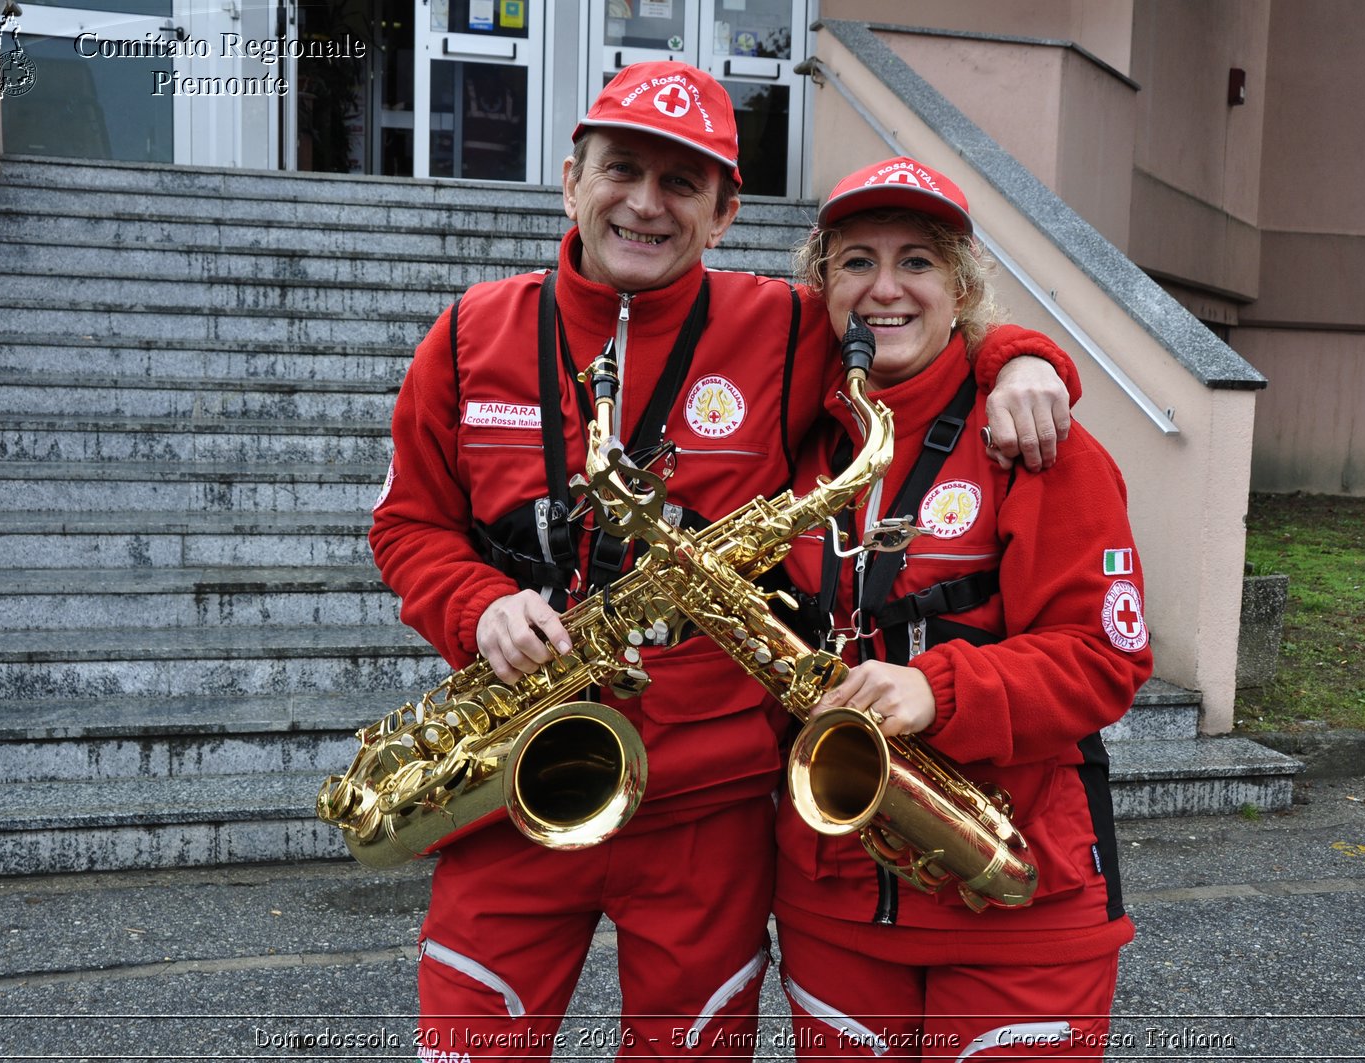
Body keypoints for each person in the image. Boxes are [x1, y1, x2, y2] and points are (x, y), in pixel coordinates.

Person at [369, 64, 1078, 1060]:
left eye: (682, 184)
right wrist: (477, 605)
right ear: (571, 181)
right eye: (621, 170)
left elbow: (913, 317)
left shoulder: (786, 329)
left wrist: (1025, 359)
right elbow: (407, 525)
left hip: (708, 809)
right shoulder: (467, 332)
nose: (645, 204)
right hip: (509, 777)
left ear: (724, 213)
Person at [769, 157, 1152, 1060]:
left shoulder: (1036, 440)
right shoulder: (797, 435)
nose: (884, 288)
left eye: (919, 262)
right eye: (856, 261)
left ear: (965, 289)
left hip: (1018, 898)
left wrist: (938, 688)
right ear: (821, 283)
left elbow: (1107, 657)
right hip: (834, 903)